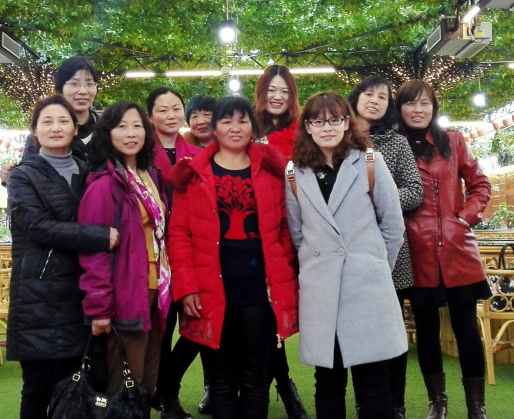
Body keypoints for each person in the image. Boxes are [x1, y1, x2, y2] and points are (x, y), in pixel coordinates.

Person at [168, 96, 299, 419]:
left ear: (253, 127)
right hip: (210, 290)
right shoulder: (193, 175)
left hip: (259, 292)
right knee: (221, 379)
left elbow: (286, 229)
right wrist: (187, 287)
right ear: (214, 128)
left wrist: (282, 272)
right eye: (226, 121)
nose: (235, 127)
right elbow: (179, 235)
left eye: (242, 120)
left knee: (256, 377)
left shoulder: (272, 172)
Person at [285, 91, 407, 419]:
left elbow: (392, 225)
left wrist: (374, 266)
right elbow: (298, 233)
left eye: (334, 120)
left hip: (366, 286)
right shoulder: (295, 173)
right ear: (307, 127)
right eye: (317, 121)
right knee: (328, 380)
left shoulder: (369, 161)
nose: (326, 127)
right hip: (321, 289)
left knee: (373, 381)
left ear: (346, 123)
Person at [6, 95, 119, 419]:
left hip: (81, 292)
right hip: (38, 294)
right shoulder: (22, 176)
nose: (55, 127)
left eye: (63, 121)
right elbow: (38, 227)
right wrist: (99, 236)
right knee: (37, 388)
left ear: (75, 129)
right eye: (47, 121)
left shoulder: (91, 171)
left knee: (77, 386)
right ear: (34, 130)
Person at [395, 80, 492, 419]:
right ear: (400, 108)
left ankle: (476, 405)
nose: (417, 109)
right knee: (427, 332)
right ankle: (437, 402)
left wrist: (465, 217)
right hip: (415, 250)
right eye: (410, 103)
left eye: (424, 103)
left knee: (467, 330)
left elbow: (480, 183)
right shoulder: (394, 146)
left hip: (456, 248)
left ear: (434, 107)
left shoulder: (453, 141)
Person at [78, 101, 171, 399]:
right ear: (107, 133)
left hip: (156, 290)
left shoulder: (148, 175)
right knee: (124, 385)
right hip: (126, 294)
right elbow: (94, 252)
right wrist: (99, 307)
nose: (131, 133)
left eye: (137, 126)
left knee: (147, 382)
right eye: (121, 127)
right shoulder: (104, 184)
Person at [348, 76, 423, 419]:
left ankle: (396, 403)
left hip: (390, 250)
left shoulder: (396, 142)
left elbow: (415, 190)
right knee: (356, 329)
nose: (375, 100)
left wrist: (378, 202)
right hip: (350, 250)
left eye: (383, 96)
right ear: (356, 98)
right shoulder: (339, 140)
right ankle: (365, 401)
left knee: (390, 331)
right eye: (369, 93)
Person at [253, 64, 308, 419]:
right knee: (259, 315)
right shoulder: (246, 127)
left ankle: (285, 386)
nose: (277, 97)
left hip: (290, 232)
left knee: (277, 313)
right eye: (271, 89)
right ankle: (282, 386)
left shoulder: (302, 132)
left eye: (284, 91)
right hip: (250, 234)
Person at [146, 86, 201, 419]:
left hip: (190, 249)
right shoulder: (139, 152)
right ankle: (164, 397)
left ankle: (167, 386)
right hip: (152, 254)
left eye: (176, 108)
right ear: (150, 116)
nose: (170, 115)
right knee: (162, 330)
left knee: (197, 325)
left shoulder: (197, 154)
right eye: (162, 110)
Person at [1, 56, 101, 183]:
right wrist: (11, 176)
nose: (83, 91)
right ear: (60, 88)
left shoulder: (108, 130)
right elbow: (29, 177)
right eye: (74, 83)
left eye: (90, 84)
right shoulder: (42, 134)